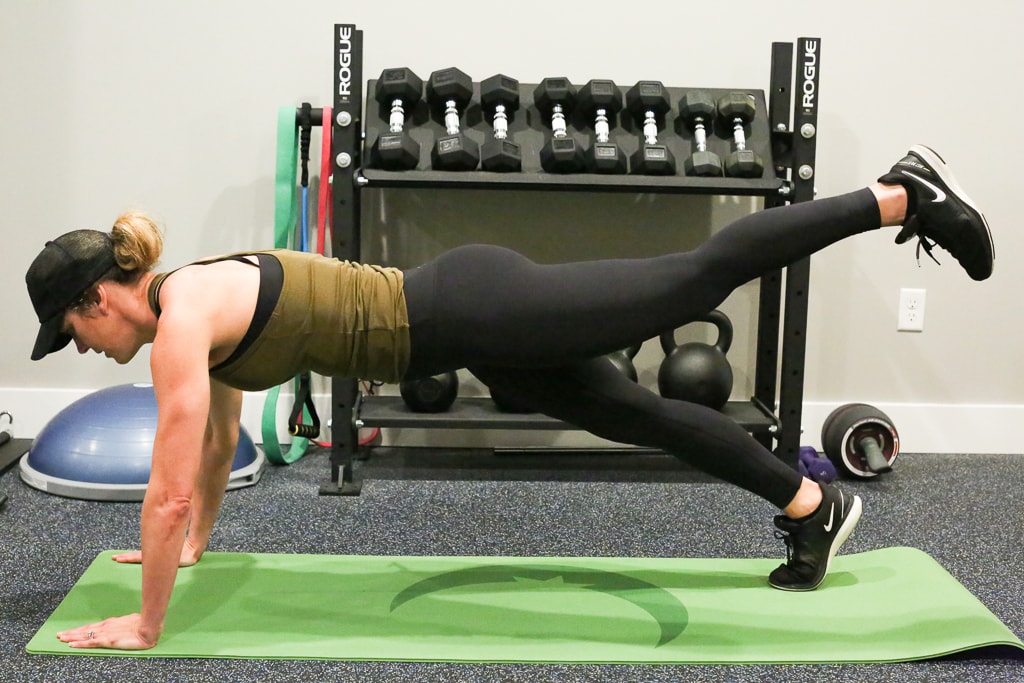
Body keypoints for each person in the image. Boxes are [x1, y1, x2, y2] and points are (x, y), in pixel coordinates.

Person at [27, 145, 993, 651]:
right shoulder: (189, 309)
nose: (84, 347)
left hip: (473, 307)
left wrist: (147, 622)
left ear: (98, 298)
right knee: (636, 414)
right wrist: (195, 547)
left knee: (692, 277)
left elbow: (166, 489)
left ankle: (898, 195)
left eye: (72, 329)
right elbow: (212, 446)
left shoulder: (183, 316)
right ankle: (811, 506)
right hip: (473, 332)